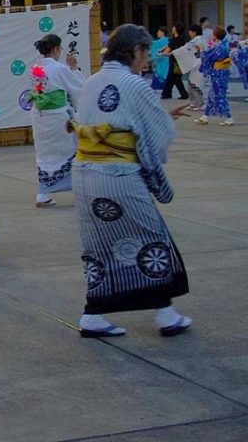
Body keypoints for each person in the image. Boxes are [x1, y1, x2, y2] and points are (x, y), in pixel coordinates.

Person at [69, 25, 192, 338]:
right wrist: (163, 127)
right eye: (146, 53)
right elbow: (152, 134)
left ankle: (94, 315)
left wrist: (165, 117)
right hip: (117, 176)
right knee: (152, 238)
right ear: (135, 51)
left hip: (85, 175)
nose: (147, 60)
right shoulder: (133, 84)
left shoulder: (93, 80)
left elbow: (121, 120)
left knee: (100, 246)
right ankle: (165, 315)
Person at [29, 34, 85, 207]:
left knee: (45, 155)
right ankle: (80, 190)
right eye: (59, 48)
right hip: (58, 116)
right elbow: (78, 89)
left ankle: (43, 193)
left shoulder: (35, 68)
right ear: (55, 49)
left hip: (40, 116)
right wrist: (74, 68)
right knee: (69, 151)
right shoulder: (59, 68)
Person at [195, 26, 234, 125]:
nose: (211, 35)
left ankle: (229, 117)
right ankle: (205, 116)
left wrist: (202, 49)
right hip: (221, 72)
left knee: (219, 95)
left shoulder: (219, 47)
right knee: (212, 94)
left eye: (213, 33)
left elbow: (207, 57)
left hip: (219, 72)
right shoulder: (223, 45)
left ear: (216, 35)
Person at [159, 24, 190, 100]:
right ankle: (166, 93)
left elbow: (175, 51)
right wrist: (162, 51)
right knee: (171, 78)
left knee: (176, 78)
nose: (172, 29)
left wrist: (164, 53)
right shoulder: (174, 39)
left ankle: (183, 94)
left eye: (173, 27)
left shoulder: (181, 39)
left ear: (177, 29)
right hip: (173, 60)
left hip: (178, 61)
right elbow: (169, 46)